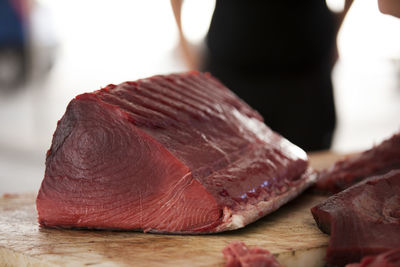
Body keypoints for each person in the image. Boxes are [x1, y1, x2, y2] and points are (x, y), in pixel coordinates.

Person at [171, 0, 354, 152]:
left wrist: (338, 26)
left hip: (305, 78)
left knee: (312, 178)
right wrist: (184, 44)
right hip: (230, 76)